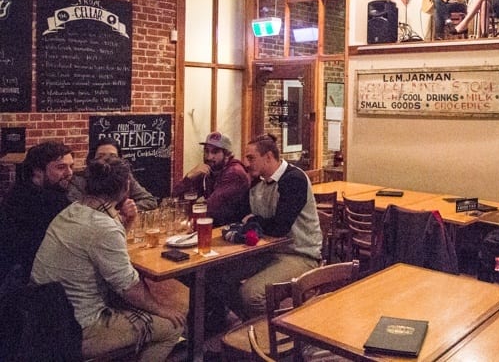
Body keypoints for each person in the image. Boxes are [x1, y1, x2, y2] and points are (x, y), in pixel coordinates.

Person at [31, 157, 186, 361]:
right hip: (77, 328)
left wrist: (127, 225)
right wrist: (163, 309)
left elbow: (104, 252)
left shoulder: (73, 210)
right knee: (173, 327)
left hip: (42, 314)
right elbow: (128, 289)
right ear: (125, 188)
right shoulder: (103, 226)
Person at [208, 133, 322, 320]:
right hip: (268, 251)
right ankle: (250, 324)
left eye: (251, 158)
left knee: (250, 294)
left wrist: (253, 220)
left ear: (268, 157)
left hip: (300, 254)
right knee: (215, 275)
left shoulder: (294, 179)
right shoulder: (257, 182)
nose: (245, 163)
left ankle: (270, 336)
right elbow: (239, 215)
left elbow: (279, 227)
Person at [0, 141, 74, 285]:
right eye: (61, 167)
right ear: (37, 171)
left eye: (71, 166)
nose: (69, 173)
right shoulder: (43, 200)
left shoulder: (21, 190)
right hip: (27, 283)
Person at [173, 131, 250, 226]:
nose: (209, 156)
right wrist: (189, 177)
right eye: (206, 151)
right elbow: (175, 199)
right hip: (215, 228)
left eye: (215, 152)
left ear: (227, 154)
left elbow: (211, 208)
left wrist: (187, 219)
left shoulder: (234, 173)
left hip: (233, 231)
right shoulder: (209, 171)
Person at [67, 137, 157, 215]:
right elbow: (78, 212)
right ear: (92, 159)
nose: (107, 160)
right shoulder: (78, 181)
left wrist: (130, 208)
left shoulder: (124, 177)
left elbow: (150, 200)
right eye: (100, 156)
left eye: (113, 156)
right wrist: (115, 212)